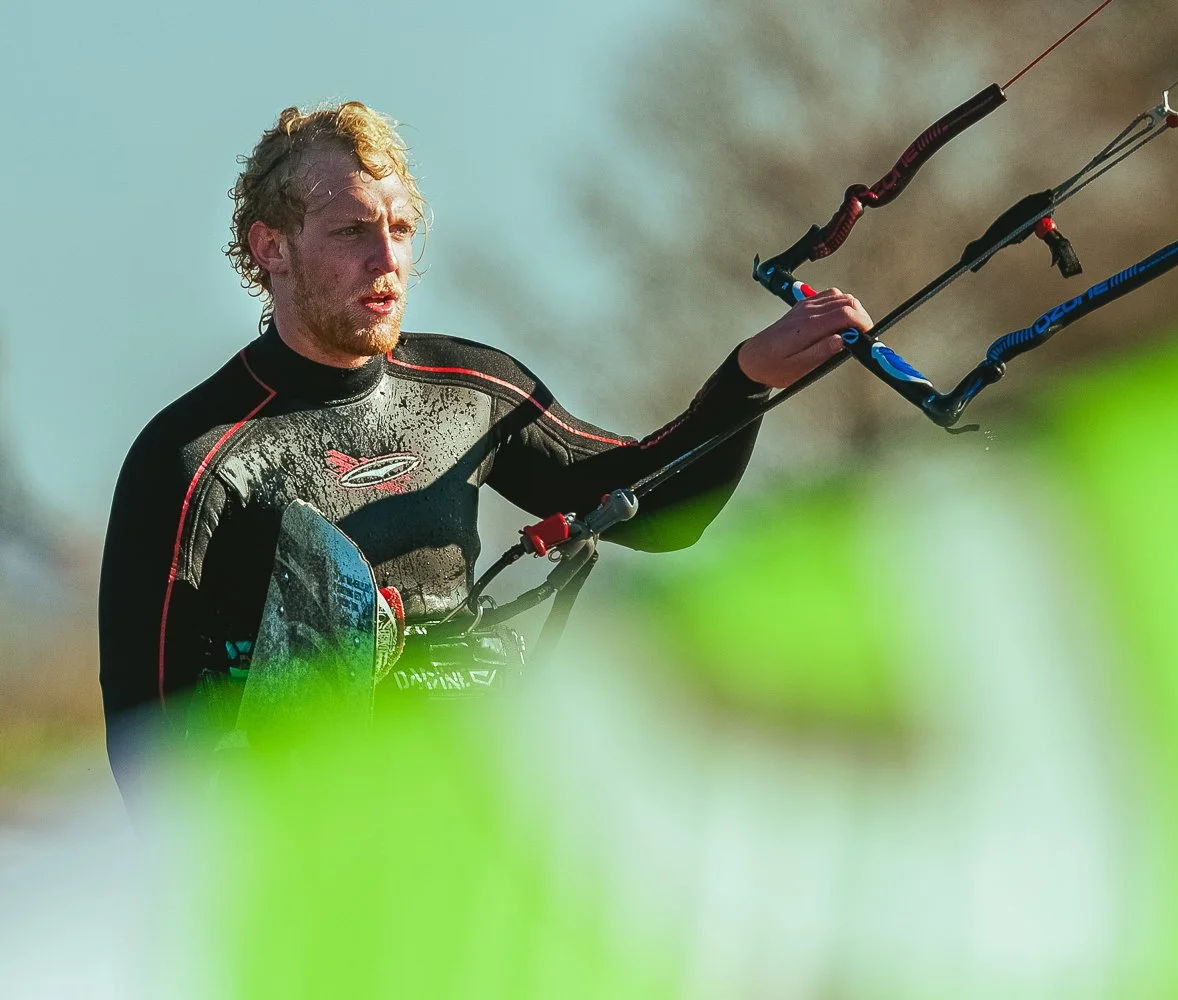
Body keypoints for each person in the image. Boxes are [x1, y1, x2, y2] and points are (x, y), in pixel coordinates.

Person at [98, 101, 872, 801]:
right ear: (271, 247)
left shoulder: (469, 392)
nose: (388, 260)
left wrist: (747, 380)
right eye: (351, 231)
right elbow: (147, 748)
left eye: (400, 228)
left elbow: (654, 508)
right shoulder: (197, 457)